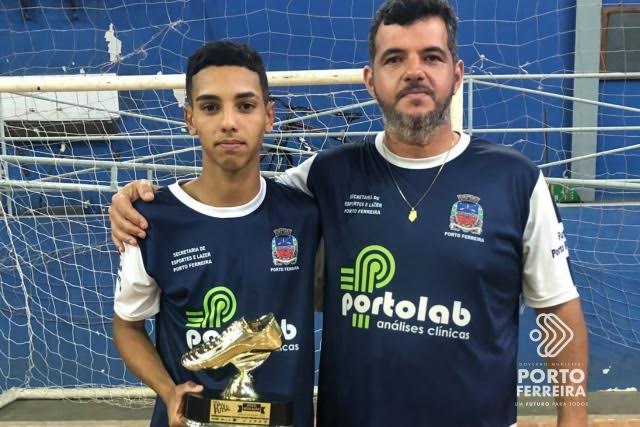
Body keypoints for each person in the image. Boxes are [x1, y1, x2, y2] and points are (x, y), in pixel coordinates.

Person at [109, 1, 589, 426]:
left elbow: (559, 311)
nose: (414, 72)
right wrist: (135, 201)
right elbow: (235, 197)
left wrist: (573, 418)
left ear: (457, 74)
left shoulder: (516, 181)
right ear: (370, 79)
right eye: (394, 59)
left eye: (431, 57)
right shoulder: (326, 176)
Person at [112, 40, 320, 427]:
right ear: (190, 118)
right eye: (210, 107)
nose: (228, 122)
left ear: (269, 115)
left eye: (245, 105)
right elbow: (128, 326)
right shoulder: (149, 220)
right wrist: (168, 390)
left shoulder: (305, 213)